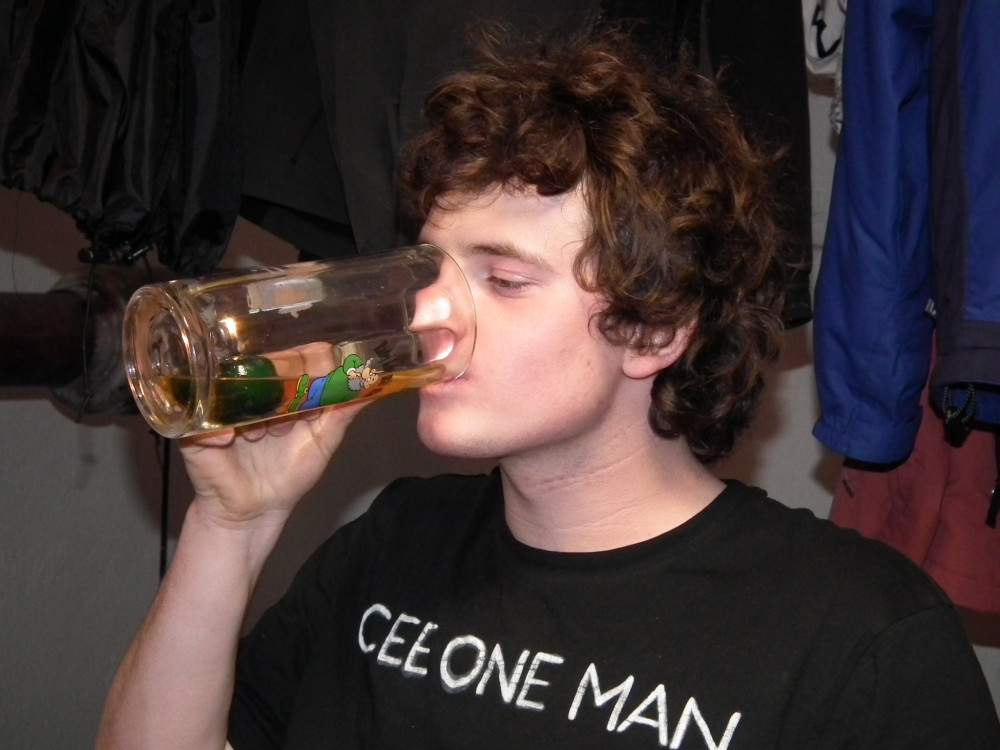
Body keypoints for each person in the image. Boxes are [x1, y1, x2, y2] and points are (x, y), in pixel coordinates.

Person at [95, 22, 1000, 750]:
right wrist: (232, 528)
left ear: (653, 330)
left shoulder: (861, 634)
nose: (430, 316)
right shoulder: (391, 545)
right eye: (432, 270)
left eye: (504, 280)